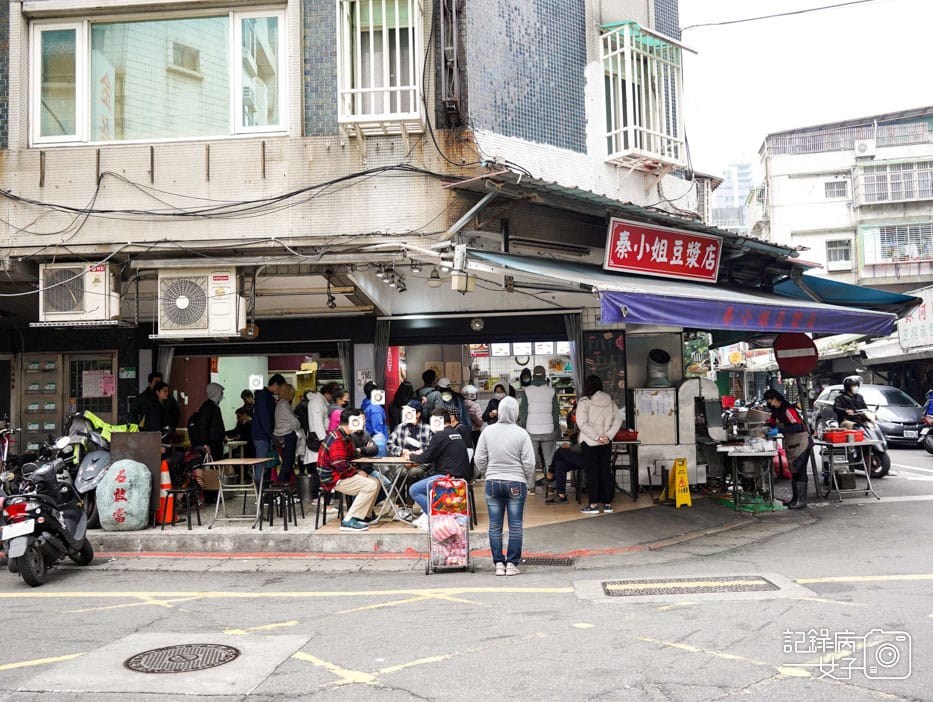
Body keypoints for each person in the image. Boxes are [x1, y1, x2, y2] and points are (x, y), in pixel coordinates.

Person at [473, 396, 535, 576]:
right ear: (516, 413)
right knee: (515, 526)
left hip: (492, 482)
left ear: (499, 412)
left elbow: (478, 459)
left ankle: (499, 564)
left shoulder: (487, 431)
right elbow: (530, 463)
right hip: (516, 482)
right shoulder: (521, 433)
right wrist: (525, 477)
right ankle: (512, 565)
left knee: (494, 525)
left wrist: (487, 472)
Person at [403, 408, 473, 531]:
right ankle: (430, 515)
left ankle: (437, 516)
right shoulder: (455, 433)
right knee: (426, 485)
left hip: (447, 478)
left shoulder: (440, 435)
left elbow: (425, 458)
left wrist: (410, 455)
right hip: (460, 478)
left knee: (414, 490)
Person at [317, 408, 381, 532]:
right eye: (359, 420)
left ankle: (363, 517)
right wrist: (357, 471)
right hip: (333, 479)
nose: (363, 422)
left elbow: (352, 455)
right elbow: (340, 465)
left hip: (339, 474)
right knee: (371, 485)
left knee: (376, 482)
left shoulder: (344, 435)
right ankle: (349, 520)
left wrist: (362, 455)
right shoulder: (338, 438)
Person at [576, 374, 623, 514]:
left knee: (592, 474)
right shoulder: (609, 400)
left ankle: (593, 505)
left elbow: (581, 423)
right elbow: (618, 419)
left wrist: (596, 436)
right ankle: (607, 503)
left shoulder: (584, 402)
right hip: (606, 443)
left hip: (590, 443)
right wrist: (607, 436)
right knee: (605, 472)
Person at [763, 388, 812, 509]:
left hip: (801, 442)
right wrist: (767, 429)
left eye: (769, 400)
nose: (768, 403)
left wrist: (778, 430)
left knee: (800, 471)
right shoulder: (776, 410)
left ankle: (801, 501)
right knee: (794, 470)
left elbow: (796, 426)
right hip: (791, 443)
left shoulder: (788, 409)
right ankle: (795, 499)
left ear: (775, 399)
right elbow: (772, 422)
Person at [520, 365, 560, 493]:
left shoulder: (527, 391)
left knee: (531, 460)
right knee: (549, 460)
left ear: (533, 375)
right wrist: (555, 427)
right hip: (549, 430)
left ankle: (531, 487)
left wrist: (523, 427)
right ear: (544, 375)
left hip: (531, 431)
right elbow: (555, 412)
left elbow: (524, 412)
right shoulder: (551, 391)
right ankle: (552, 486)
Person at [251, 373, 286, 483]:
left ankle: (263, 489)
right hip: (262, 435)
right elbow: (264, 417)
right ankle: (259, 489)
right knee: (261, 463)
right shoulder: (263, 396)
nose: (280, 391)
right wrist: (271, 434)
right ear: (275, 384)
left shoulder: (265, 396)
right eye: (280, 388)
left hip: (263, 434)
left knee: (265, 463)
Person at [423, 378, 471, 446]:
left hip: (442, 429)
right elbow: (465, 416)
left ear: (438, 386)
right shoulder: (458, 397)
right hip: (458, 427)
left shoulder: (435, 397)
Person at [188, 382, 226, 462]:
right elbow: (202, 427)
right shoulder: (207, 407)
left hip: (216, 443)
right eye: (221, 393)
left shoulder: (215, 407)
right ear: (215, 393)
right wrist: (205, 444)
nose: (222, 395)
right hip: (211, 444)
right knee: (213, 467)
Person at [273, 383, 301, 485]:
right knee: (287, 464)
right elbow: (294, 422)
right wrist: (298, 422)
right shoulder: (284, 404)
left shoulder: (280, 404)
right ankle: (280, 486)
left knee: (286, 463)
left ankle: (284, 486)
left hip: (280, 437)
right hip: (288, 437)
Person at [361, 382, 388, 456]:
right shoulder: (375, 408)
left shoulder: (365, 403)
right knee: (379, 465)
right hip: (377, 441)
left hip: (368, 439)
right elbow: (378, 430)